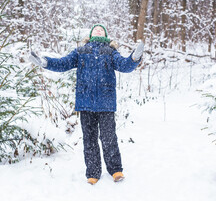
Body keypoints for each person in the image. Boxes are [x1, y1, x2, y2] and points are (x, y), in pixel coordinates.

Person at [29, 24, 144, 185]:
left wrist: (134, 58)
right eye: (95, 29)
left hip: (106, 102)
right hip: (85, 102)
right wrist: (45, 62)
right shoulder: (81, 51)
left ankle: (116, 170)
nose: (98, 30)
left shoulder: (111, 51)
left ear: (105, 34)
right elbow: (63, 63)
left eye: (101, 29)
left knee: (109, 138)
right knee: (89, 140)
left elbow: (124, 66)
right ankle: (93, 173)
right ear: (89, 35)